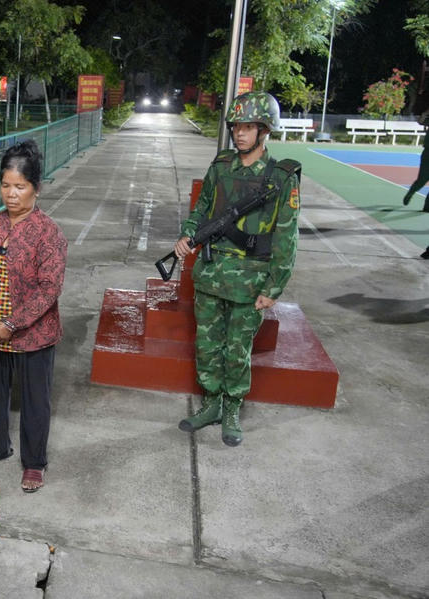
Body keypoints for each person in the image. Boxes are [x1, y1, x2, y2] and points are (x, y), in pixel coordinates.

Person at [174, 91, 301, 447]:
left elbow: (287, 236)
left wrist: (274, 287)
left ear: (265, 131)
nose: (239, 133)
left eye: (248, 127)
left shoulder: (281, 178)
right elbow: (202, 209)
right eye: (236, 127)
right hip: (212, 272)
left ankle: (232, 409)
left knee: (237, 350)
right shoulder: (220, 167)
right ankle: (211, 404)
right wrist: (188, 235)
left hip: (251, 280)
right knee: (207, 345)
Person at [0, 140, 67, 492]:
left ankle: (34, 463)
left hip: (32, 335)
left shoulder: (48, 233)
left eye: (20, 187)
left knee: (35, 401)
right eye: (6, 185)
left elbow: (49, 289)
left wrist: (12, 324)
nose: (11, 194)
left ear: (36, 188)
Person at [401, 108, 429, 215]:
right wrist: (426, 112)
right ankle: (411, 192)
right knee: (422, 180)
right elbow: (420, 121)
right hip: (428, 154)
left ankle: (427, 206)